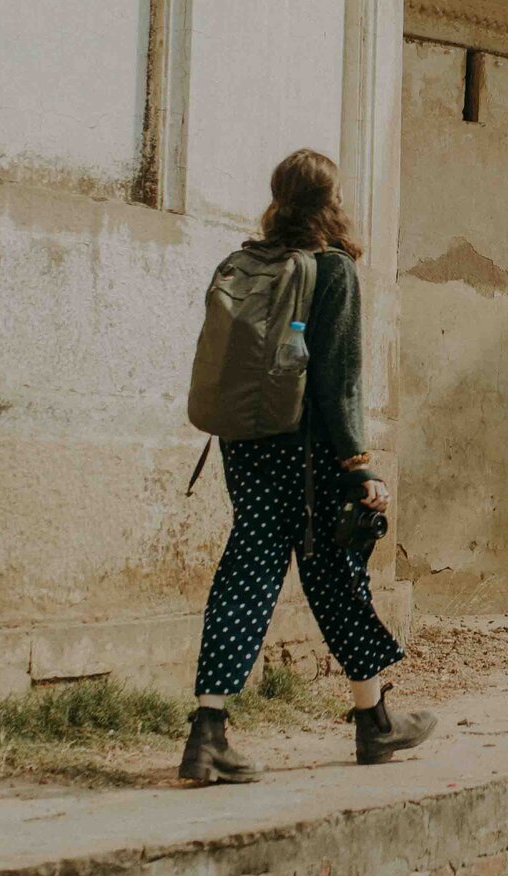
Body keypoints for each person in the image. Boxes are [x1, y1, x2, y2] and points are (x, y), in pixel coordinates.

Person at [179, 149, 437, 784]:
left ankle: (211, 731)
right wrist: (358, 465)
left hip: (247, 443)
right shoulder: (331, 271)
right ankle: (372, 723)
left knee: (250, 568)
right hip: (310, 450)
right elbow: (338, 379)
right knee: (337, 575)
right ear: (331, 202)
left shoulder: (247, 262)